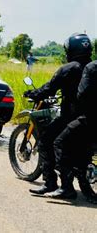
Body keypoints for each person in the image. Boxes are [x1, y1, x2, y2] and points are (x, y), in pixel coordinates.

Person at [26, 33, 92, 196]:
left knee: (47, 140)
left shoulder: (69, 68)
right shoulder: (93, 67)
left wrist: (34, 93)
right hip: (90, 117)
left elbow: (50, 88)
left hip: (71, 115)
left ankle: (52, 183)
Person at [46, 57, 96, 200]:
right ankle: (87, 190)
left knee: (59, 143)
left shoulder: (91, 68)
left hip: (90, 118)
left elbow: (82, 94)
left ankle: (66, 187)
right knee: (84, 150)